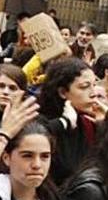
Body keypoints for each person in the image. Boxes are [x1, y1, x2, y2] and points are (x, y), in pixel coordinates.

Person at [39, 57, 102, 185]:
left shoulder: (88, 122)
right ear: (63, 92)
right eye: (84, 87)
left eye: (94, 85)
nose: (93, 93)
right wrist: (64, 122)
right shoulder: (39, 120)